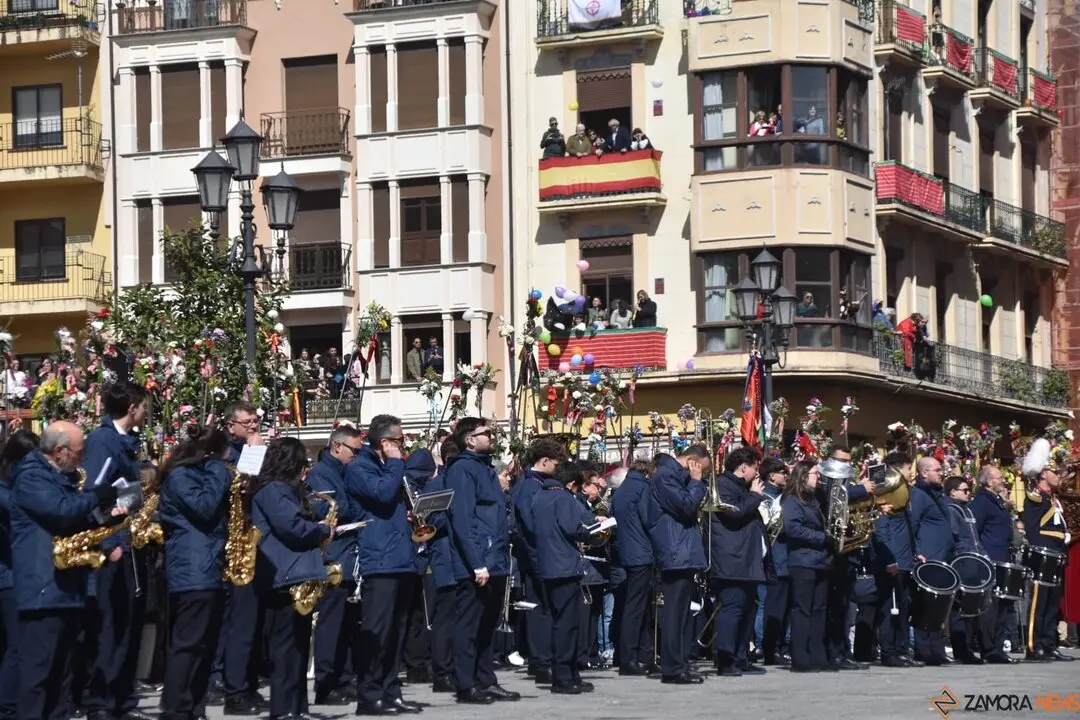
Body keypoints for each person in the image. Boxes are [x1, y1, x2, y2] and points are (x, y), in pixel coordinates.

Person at [11, 421, 122, 720]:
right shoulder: (31, 477)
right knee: (39, 675)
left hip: (67, 587)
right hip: (43, 590)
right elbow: (61, 511)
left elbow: (77, 518)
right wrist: (97, 495)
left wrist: (109, 517)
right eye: (78, 451)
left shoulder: (65, 478)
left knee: (62, 676)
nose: (82, 457)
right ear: (59, 451)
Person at [82, 383, 152, 720]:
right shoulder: (102, 440)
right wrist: (108, 543)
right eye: (144, 406)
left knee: (128, 625)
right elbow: (94, 492)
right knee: (111, 627)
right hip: (114, 544)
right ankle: (101, 701)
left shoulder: (127, 441)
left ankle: (123, 700)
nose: (146, 411)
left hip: (131, 541)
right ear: (134, 406)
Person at [346, 414, 423, 716]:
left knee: (396, 632)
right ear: (385, 442)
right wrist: (394, 463)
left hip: (400, 557)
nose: (404, 445)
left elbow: (392, 500)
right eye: (400, 440)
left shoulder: (387, 467)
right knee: (377, 631)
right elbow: (381, 493)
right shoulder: (360, 467)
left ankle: (391, 690)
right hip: (379, 559)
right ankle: (369, 694)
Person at [250, 438, 332, 719]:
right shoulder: (274, 490)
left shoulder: (286, 490)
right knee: (285, 649)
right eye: (301, 463)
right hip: (283, 576)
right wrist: (321, 530)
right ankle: (283, 709)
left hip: (294, 573)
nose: (304, 469)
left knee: (298, 647)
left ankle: (297, 708)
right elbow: (291, 527)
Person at [157, 425, 232, 720]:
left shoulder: (201, 473)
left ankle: (194, 707)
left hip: (208, 567)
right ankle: (176, 709)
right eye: (223, 457)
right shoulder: (180, 476)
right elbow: (203, 507)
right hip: (192, 571)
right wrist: (218, 469)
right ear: (211, 454)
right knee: (188, 644)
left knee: (205, 644)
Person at [444, 417, 518, 705]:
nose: (492, 436)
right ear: (470, 440)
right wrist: (477, 562)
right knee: (469, 625)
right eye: (486, 433)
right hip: (477, 561)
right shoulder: (462, 469)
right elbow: (462, 518)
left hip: (495, 558)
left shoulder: (485, 468)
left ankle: (485, 679)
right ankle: (466, 684)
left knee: (487, 624)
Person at [213, 401, 267, 714]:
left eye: (255, 420)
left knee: (250, 620)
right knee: (233, 619)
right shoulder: (225, 451)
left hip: (251, 538)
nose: (253, 426)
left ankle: (245, 680)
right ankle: (223, 679)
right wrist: (254, 452)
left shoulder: (252, 445)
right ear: (230, 425)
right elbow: (241, 485)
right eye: (246, 421)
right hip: (230, 542)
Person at [307, 426, 365, 704]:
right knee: (331, 624)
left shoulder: (346, 471)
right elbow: (327, 510)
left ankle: (344, 676)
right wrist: (354, 505)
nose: (357, 455)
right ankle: (325, 683)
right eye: (355, 450)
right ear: (338, 447)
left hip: (350, 556)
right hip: (333, 557)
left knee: (348, 625)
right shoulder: (321, 473)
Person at [531, 461, 597, 695]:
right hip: (565, 566)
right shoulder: (564, 498)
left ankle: (570, 674)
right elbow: (572, 528)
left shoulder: (539, 497)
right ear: (571, 484)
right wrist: (590, 531)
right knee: (567, 625)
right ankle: (563, 676)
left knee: (558, 620)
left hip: (547, 565)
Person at [647, 446, 709, 684]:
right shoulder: (665, 476)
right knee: (674, 613)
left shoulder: (674, 476)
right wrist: (695, 483)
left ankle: (679, 664)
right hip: (675, 552)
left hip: (682, 551)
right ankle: (673, 668)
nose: (701, 475)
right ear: (693, 461)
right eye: (701, 469)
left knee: (682, 613)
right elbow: (685, 506)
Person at [510, 437, 567, 685]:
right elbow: (532, 524)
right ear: (544, 461)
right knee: (541, 610)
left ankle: (541, 660)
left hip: (538, 553)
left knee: (541, 608)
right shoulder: (531, 486)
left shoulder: (532, 483)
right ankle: (542, 661)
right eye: (556, 463)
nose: (558, 468)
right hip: (538, 554)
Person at [709, 446, 766, 677]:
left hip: (746, 560)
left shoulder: (739, 486)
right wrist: (754, 496)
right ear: (744, 468)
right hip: (731, 560)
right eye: (755, 468)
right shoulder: (723, 484)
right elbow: (735, 514)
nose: (757, 474)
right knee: (732, 609)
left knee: (746, 610)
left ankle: (740, 657)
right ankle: (725, 659)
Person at [1019, 438, 1074, 662]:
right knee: (1039, 604)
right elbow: (1032, 531)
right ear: (1043, 473)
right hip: (1043, 557)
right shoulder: (1035, 498)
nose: (1059, 476)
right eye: (1055, 472)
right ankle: (1034, 646)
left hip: (1057, 556)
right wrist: (1042, 552)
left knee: (1053, 604)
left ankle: (1049, 643)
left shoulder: (1054, 500)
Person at [0, 430, 39, 719]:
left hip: (14, 574)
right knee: (16, 646)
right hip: (8, 576)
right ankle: (8, 707)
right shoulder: (8, 493)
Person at [782, 460, 831, 672]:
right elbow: (793, 529)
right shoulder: (793, 501)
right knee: (802, 609)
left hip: (821, 561)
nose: (818, 478)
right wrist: (823, 537)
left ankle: (818, 655)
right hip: (803, 561)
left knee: (819, 609)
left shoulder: (814, 500)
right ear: (802, 476)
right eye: (815, 474)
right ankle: (800, 657)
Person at [870, 453, 919, 668]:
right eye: (909, 469)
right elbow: (881, 531)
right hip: (892, 561)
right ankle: (889, 652)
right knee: (890, 608)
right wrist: (889, 560)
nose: (911, 474)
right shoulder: (886, 489)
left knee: (902, 607)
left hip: (904, 558)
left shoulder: (901, 499)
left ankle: (901, 649)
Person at [908, 456, 955, 665]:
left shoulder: (939, 495)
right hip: (926, 560)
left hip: (941, 559)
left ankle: (936, 650)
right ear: (924, 472)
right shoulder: (917, 495)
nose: (941, 472)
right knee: (924, 607)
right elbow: (912, 525)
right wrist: (917, 551)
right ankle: (923, 650)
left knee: (938, 608)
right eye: (937, 469)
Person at [970, 464, 1018, 664]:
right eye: (999, 478)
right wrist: (982, 556)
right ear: (989, 481)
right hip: (991, 558)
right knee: (991, 606)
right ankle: (989, 648)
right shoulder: (982, 502)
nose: (1003, 480)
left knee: (1002, 605)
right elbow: (974, 531)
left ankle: (997, 646)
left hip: (1002, 558)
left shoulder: (996, 501)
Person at [611, 459, 655, 676]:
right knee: (637, 608)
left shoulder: (620, 491)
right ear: (648, 473)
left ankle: (634, 655)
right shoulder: (643, 488)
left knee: (634, 606)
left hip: (627, 553)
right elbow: (650, 520)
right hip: (642, 553)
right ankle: (631, 659)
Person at [426, 437, 460, 694]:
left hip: (464, 558)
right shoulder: (438, 483)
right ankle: (442, 672)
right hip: (446, 557)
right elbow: (432, 520)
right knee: (445, 618)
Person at [402, 449, 438, 685]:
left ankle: (417, 665)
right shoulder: (406, 487)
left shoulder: (415, 486)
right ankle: (416, 664)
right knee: (415, 615)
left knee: (416, 616)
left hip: (415, 557)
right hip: (411, 557)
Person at [943, 475, 983, 664]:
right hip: (960, 563)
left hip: (973, 561)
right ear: (953, 492)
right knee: (958, 608)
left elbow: (975, 538)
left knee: (970, 607)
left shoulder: (967, 511)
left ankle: (967, 646)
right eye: (965, 490)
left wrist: (982, 555)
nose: (969, 494)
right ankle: (960, 649)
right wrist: (963, 556)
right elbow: (954, 538)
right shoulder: (952, 510)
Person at [758, 456, 791, 665]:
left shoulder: (784, 497)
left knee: (783, 606)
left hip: (784, 558)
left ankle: (780, 645)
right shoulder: (765, 497)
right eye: (783, 473)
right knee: (766, 606)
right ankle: (764, 646)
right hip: (771, 558)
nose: (786, 476)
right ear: (771, 475)